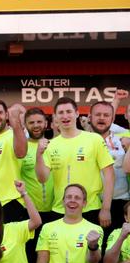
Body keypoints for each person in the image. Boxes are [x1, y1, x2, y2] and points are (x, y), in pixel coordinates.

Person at [36, 97, 114, 228]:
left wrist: (106, 208)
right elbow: (42, 178)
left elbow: (110, 175)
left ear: (77, 113)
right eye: (61, 113)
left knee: (92, 248)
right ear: (55, 117)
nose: (65, 116)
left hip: (90, 209)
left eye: (69, 111)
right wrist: (38, 155)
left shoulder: (94, 139)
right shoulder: (51, 145)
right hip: (60, 210)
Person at [89, 100, 128, 231]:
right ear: (90, 117)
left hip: (120, 203)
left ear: (112, 118)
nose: (101, 118)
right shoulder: (80, 141)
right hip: (90, 205)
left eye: (106, 115)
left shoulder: (123, 140)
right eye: (98, 114)